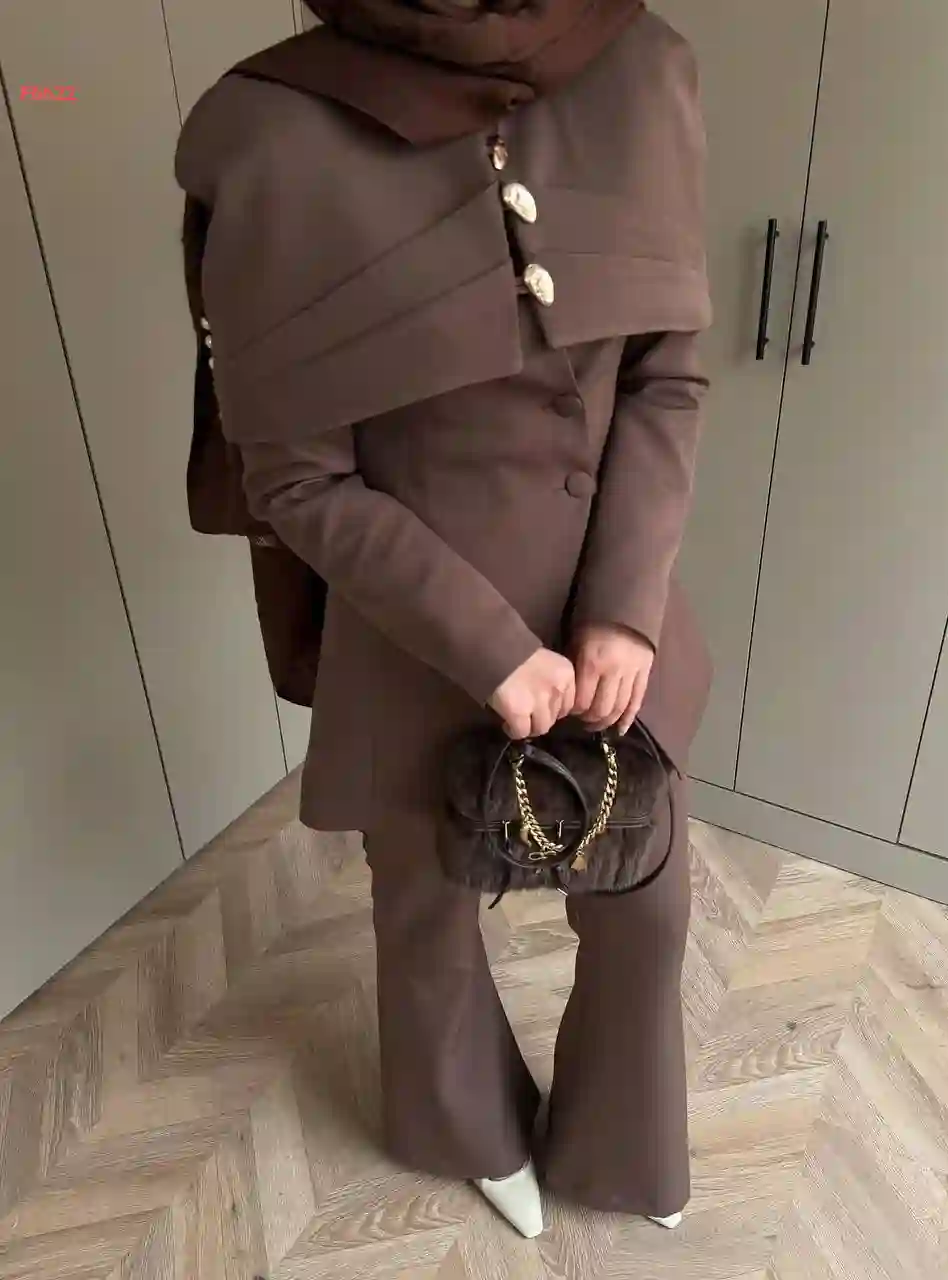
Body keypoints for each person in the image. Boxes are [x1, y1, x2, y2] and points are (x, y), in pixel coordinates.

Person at [175, 0, 712, 1240]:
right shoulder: (269, 127)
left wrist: (625, 609)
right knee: (423, 918)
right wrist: (488, 646)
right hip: (412, 631)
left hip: (609, 622)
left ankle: (624, 1142)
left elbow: (668, 376)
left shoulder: (642, 63)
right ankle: (463, 1126)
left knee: (645, 902)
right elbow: (294, 476)